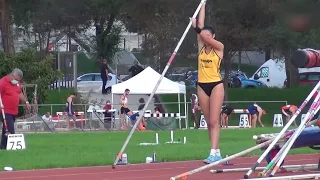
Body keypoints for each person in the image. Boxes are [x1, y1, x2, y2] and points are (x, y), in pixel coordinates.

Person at [191, 3, 225, 164]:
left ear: (213, 36)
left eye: (207, 36)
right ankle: (216, 151)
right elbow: (201, 25)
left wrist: (198, 30)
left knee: (214, 121)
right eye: (202, 36)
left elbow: (202, 32)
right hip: (202, 86)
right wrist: (202, 4)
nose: (203, 38)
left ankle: (213, 153)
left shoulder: (219, 48)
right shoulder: (200, 47)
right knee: (207, 122)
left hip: (216, 84)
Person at [0, 68, 31, 150]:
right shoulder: (3, 82)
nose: (17, 82)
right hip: (5, 110)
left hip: (14, 111)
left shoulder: (16, 84)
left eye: (18, 80)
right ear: (12, 75)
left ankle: (3, 146)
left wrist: (26, 102)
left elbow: (19, 92)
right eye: (16, 79)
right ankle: (12, 146)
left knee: (5, 129)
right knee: (10, 128)